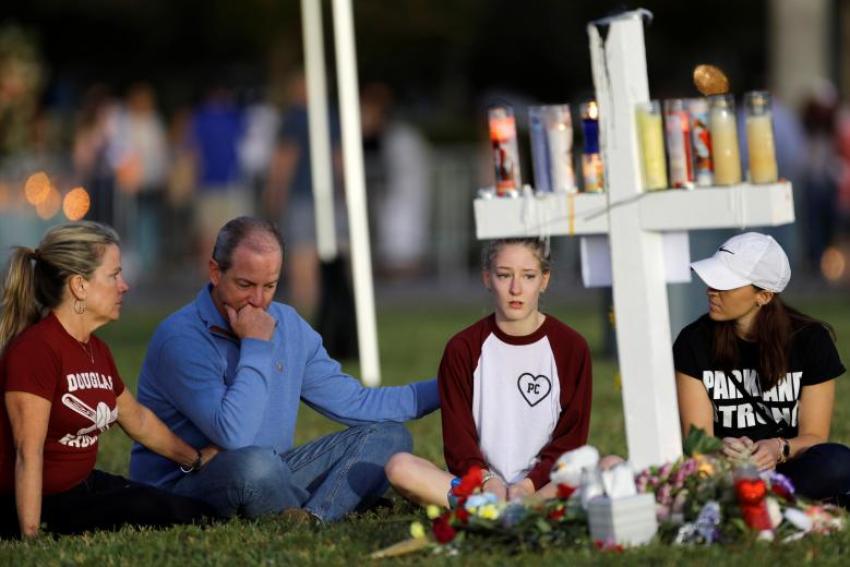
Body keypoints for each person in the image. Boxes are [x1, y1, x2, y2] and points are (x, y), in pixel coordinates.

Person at [129, 216, 439, 522]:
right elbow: (234, 435)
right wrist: (257, 346)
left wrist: (451, 386)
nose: (258, 301)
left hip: (273, 470)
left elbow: (355, 403)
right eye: (245, 284)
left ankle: (315, 516)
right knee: (254, 464)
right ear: (214, 271)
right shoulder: (181, 337)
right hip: (188, 483)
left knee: (391, 437)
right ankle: (337, 504)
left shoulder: (288, 324)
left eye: (270, 285)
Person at [0, 221, 216, 539]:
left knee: (186, 507)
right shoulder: (37, 350)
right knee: (154, 509)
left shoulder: (94, 349)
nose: (124, 286)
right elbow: (26, 453)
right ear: (79, 286)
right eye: (114, 275)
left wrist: (195, 459)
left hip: (81, 487)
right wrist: (31, 537)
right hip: (43, 502)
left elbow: (138, 419)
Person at [385, 238, 592, 506]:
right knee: (400, 467)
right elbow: (459, 443)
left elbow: (571, 441)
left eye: (528, 276)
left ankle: (522, 509)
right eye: (504, 275)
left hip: (546, 484)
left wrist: (528, 486)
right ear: (487, 278)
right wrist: (488, 482)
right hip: (482, 486)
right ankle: (499, 508)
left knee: (609, 465)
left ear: (544, 280)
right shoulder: (463, 348)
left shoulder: (571, 347)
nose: (515, 288)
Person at [674, 232, 850, 505]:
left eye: (725, 284)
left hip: (788, 469)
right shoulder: (693, 341)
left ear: (764, 296)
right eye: (712, 280)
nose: (711, 289)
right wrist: (723, 448)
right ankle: (782, 503)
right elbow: (696, 441)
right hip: (725, 470)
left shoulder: (810, 340)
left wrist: (777, 448)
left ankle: (761, 501)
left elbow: (814, 436)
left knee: (838, 461)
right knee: (690, 472)